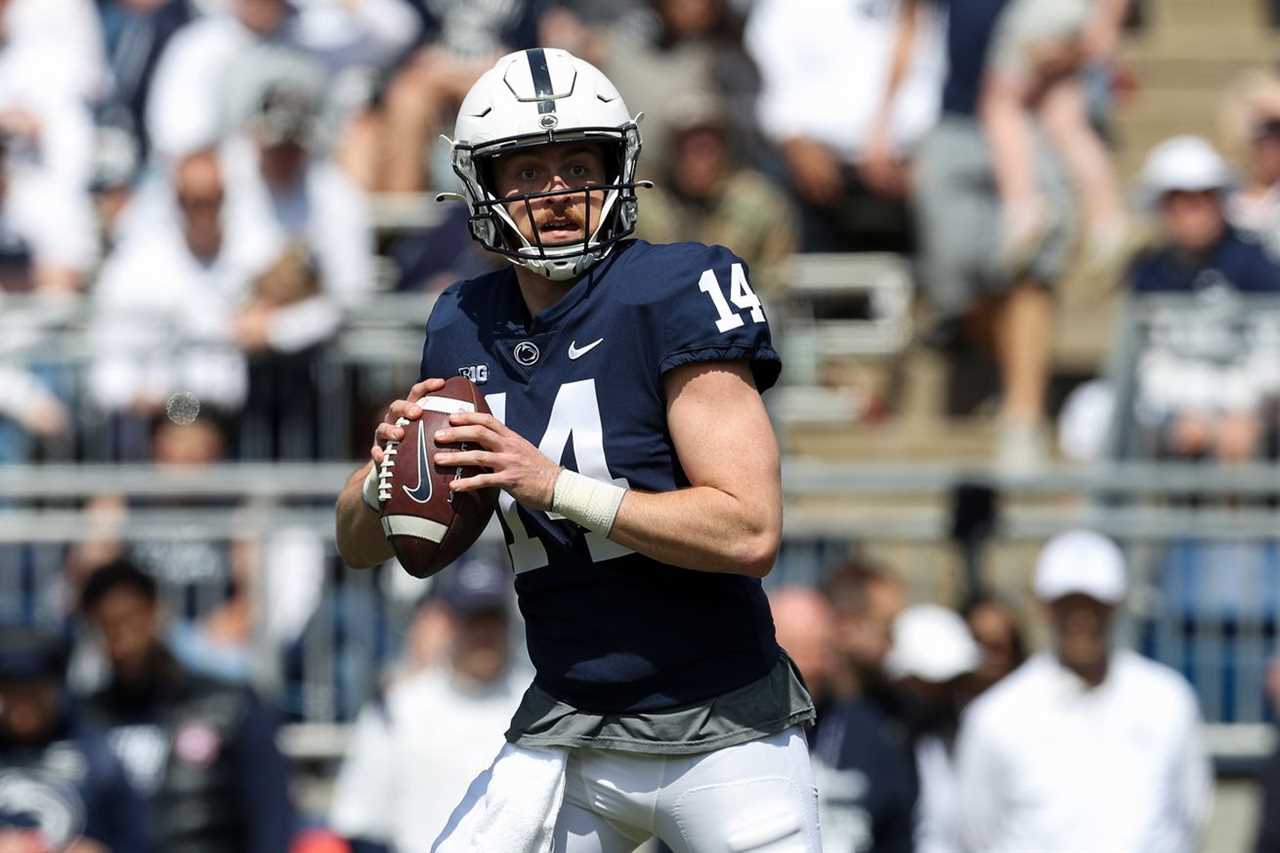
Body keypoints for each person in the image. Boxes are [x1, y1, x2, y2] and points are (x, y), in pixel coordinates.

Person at [334, 47, 819, 852]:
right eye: (527, 171)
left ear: (618, 169)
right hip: (572, 724)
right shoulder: (463, 320)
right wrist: (383, 480)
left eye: (576, 165)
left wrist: (554, 483)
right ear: (485, 187)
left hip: (724, 724)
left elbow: (749, 529)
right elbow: (370, 548)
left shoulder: (673, 288)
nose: (556, 193)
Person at [869, 0, 1077, 473]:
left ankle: (1022, 419)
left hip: (1033, 122)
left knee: (1031, 268)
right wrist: (883, 119)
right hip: (953, 125)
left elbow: (1089, 35)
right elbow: (910, 29)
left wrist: (1060, 55)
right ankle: (1008, 377)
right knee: (956, 279)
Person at [955, 529, 1212, 853]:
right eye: (1068, 605)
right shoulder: (996, 715)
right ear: (1045, 607)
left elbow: (1189, 815)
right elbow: (977, 833)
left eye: (1094, 604)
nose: (1081, 619)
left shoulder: (1167, 701)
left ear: (1115, 605)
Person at [78, 559, 298, 853]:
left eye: (131, 619)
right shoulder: (87, 717)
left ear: (155, 614)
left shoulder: (232, 705)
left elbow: (270, 812)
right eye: (108, 626)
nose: (123, 640)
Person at [330, 559, 531, 852]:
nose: (484, 636)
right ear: (449, 625)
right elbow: (361, 821)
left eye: (492, 619)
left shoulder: (538, 706)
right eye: (473, 621)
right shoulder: (398, 708)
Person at [745, 0, 944, 252]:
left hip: (908, 164)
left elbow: (938, 76)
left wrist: (916, 150)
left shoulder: (923, 9)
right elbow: (769, 80)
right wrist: (794, 140)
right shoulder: (785, 7)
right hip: (814, 164)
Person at [1127, 136, 1280, 463]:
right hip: (1177, 408)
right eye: (1178, 200)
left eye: (1202, 199)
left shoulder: (1257, 264)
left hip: (1251, 405)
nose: (1190, 212)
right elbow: (1147, 360)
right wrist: (1187, 409)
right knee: (1091, 418)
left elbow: (1272, 354)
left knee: (1239, 441)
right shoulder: (1148, 274)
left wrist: (1242, 409)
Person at [981, 0, 1130, 269]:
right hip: (1075, 15)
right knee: (1063, 120)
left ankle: (1023, 206)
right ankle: (1107, 217)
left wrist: (1106, 24)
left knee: (1001, 105)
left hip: (1046, 11)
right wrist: (1105, 25)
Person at [771, 587, 916, 853]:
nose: (811, 665)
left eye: (820, 650)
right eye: (797, 650)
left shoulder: (873, 733)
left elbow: (897, 830)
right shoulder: (735, 734)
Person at [635, 91, 796, 300]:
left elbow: (775, 280)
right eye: (687, 146)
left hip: (740, 317)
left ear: (725, 149)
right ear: (670, 151)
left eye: (707, 147)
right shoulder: (642, 201)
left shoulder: (759, 201)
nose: (698, 159)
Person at [0, 628, 149, 853]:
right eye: (12, 690)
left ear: (54, 688)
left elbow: (138, 839)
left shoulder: (99, 756)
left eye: (32, 689)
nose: (23, 703)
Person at [884, 604, 982, 853]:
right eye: (931, 684)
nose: (945, 693)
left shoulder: (971, 735)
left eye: (953, 682)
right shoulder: (883, 740)